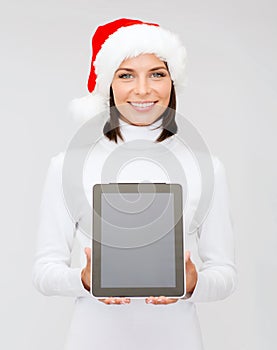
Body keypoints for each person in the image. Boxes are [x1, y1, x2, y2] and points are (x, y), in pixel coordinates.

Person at [32, 18, 237, 350]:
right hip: (93, 339)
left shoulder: (206, 168)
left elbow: (225, 274)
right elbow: (43, 271)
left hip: (178, 340)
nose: (143, 90)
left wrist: (193, 283)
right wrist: (83, 280)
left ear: (172, 81)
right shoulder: (66, 166)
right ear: (107, 85)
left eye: (156, 74)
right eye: (126, 75)